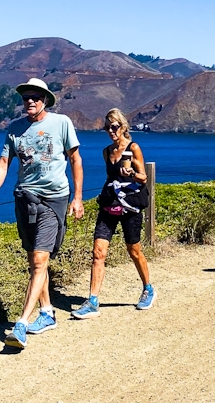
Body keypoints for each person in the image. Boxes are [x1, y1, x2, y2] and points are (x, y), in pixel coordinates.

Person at [0, 78, 84, 349]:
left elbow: (75, 159)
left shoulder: (61, 123)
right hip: (24, 199)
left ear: (45, 100)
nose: (30, 100)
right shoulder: (15, 129)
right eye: (26, 97)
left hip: (53, 199)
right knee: (35, 260)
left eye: (35, 97)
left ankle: (21, 324)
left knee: (40, 260)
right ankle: (47, 312)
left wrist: (78, 198)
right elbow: (3, 162)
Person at [72, 108, 155, 319]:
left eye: (115, 126)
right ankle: (92, 301)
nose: (111, 131)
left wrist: (132, 174)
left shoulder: (133, 148)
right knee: (98, 252)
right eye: (107, 127)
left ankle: (148, 288)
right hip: (109, 205)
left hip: (130, 206)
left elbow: (144, 177)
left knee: (134, 250)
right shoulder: (106, 151)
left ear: (123, 127)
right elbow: (111, 178)